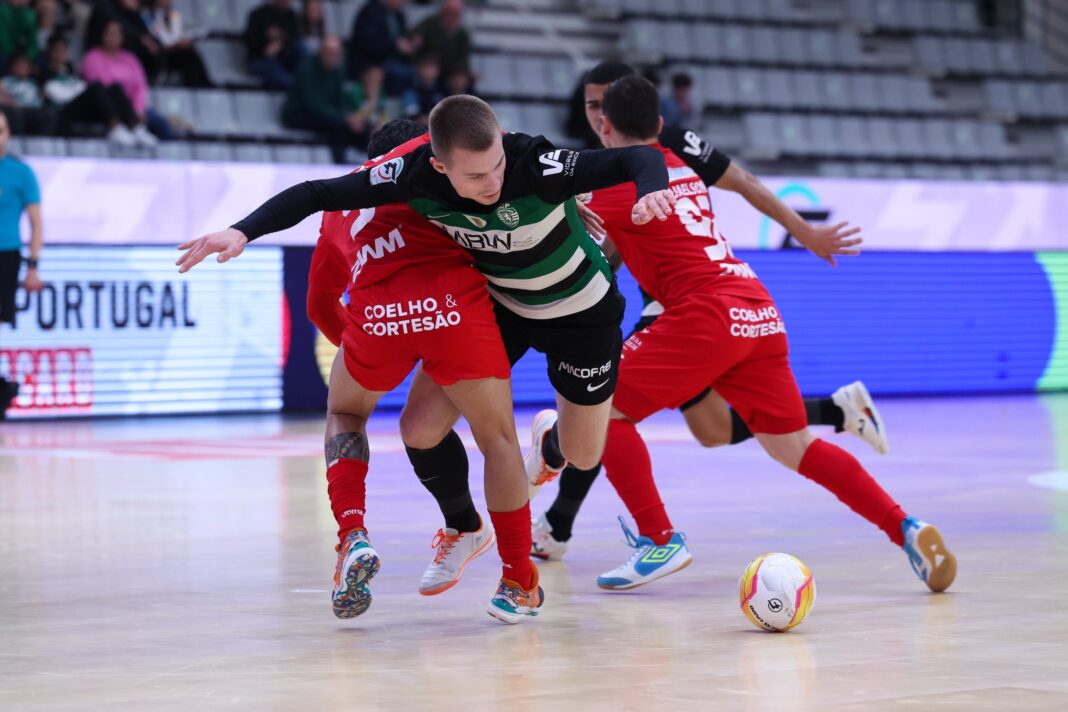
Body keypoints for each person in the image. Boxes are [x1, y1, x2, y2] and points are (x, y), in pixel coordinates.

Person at [175, 93, 677, 597]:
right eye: (476, 176)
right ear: (435, 164)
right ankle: (493, 555)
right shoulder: (413, 177)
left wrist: (635, 192)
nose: (493, 184)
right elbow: (316, 192)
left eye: (496, 168)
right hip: (498, 309)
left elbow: (640, 158)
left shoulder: (531, 163)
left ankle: (544, 451)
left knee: (583, 455)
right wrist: (242, 230)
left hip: (581, 315)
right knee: (421, 427)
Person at [573, 75, 956, 594]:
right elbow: (711, 201)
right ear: (661, 126)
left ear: (605, 125)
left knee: (602, 407)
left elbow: (574, 236)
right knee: (794, 446)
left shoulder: (610, 186)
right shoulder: (682, 164)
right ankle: (905, 527)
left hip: (703, 313)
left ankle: (658, 537)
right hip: (756, 307)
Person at [529, 59, 890, 558]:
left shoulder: (671, 144)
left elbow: (741, 181)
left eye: (602, 105)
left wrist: (803, 230)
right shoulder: (601, 163)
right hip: (712, 302)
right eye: (589, 105)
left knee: (603, 404)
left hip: (686, 305)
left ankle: (562, 524)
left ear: (622, 109)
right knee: (712, 430)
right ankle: (833, 410)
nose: (595, 116)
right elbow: (613, 245)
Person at [296, 118, 543, 623]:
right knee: (497, 438)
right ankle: (519, 581)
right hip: (455, 310)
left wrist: (365, 345)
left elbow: (320, 306)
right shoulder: (438, 175)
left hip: (377, 316)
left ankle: (353, 535)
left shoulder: (339, 209)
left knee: (346, 414)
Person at [0, 109, 43, 418]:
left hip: (6, 254)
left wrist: (32, 266)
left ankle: (3, 389)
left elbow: (36, 224)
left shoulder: (20, 172)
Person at [41, 34, 142, 145]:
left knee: (115, 87)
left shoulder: (71, 71)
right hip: (63, 112)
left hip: (80, 108)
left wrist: (80, 91)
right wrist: (79, 92)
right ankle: (115, 127)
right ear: (50, 53)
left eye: (63, 51)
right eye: (57, 51)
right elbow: (57, 95)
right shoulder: (45, 73)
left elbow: (81, 88)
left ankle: (135, 127)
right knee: (96, 86)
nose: (60, 55)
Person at [282, 36, 369, 164]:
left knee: (362, 126)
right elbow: (312, 103)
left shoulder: (338, 71)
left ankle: (366, 164)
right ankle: (340, 165)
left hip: (327, 113)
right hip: (298, 113)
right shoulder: (307, 68)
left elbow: (342, 99)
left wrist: (353, 116)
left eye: (337, 54)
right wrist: (344, 117)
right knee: (337, 125)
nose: (334, 58)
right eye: (331, 54)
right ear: (321, 52)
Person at [347, 0, 416, 92]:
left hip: (395, 61)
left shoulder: (399, 15)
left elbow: (404, 38)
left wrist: (410, 44)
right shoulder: (370, 12)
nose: (404, 2)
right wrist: (395, 46)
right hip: (370, 63)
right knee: (400, 74)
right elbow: (368, 44)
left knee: (418, 72)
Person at [143, 0, 212, 87]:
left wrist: (187, 41)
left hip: (177, 52)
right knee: (188, 56)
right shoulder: (148, 15)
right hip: (160, 56)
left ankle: (203, 88)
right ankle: (203, 88)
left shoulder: (176, 13)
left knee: (190, 57)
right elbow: (158, 40)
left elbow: (190, 32)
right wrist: (175, 45)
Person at [411, 0, 470, 90]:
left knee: (460, 79)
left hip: (449, 70)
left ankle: (458, 102)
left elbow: (463, 59)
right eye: (449, 13)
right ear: (442, 12)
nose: (451, 18)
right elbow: (413, 38)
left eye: (455, 14)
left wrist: (462, 71)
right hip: (428, 64)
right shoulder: (429, 24)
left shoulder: (463, 35)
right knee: (429, 71)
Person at [244, 0, 302, 90]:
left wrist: (280, 45)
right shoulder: (258, 14)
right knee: (286, 80)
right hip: (260, 60)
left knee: (302, 51)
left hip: (284, 59)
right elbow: (251, 41)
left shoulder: (291, 16)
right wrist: (266, 38)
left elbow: (295, 40)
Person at [0, 52, 57, 136]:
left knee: (49, 115)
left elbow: (38, 101)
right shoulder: (5, 81)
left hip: (32, 110)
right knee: (16, 114)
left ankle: (38, 143)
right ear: (12, 67)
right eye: (19, 65)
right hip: (14, 110)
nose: (22, 68)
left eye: (25, 65)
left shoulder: (33, 83)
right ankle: (18, 142)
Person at [0, 0, 40, 66]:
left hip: (24, 54)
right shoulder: (2, 13)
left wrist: (27, 56)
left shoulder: (31, 15)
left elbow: (33, 42)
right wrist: (16, 58)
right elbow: (4, 40)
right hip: (6, 53)